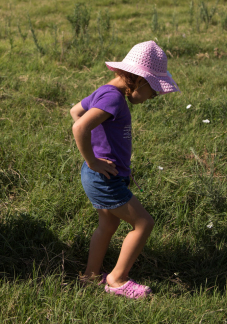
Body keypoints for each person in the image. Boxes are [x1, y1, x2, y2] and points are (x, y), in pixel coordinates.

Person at [70, 41, 179, 299]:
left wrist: (98, 144)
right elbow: (79, 126)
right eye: (154, 91)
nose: (153, 97)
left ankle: (90, 277)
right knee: (143, 223)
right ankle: (117, 280)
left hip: (102, 176)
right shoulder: (114, 99)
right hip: (101, 177)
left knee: (107, 225)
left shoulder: (106, 92)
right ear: (140, 80)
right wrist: (94, 160)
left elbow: (75, 111)